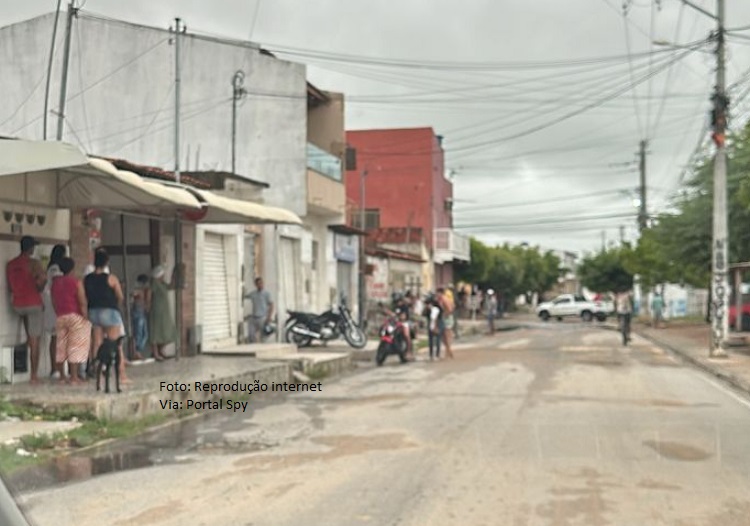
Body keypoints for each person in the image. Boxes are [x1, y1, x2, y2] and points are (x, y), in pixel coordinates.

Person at [6, 236, 46, 384]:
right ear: (31, 248)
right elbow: (42, 280)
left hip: (17, 304)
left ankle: (27, 344)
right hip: (33, 303)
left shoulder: (10, 264)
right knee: (35, 339)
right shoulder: (34, 263)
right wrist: (40, 286)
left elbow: (10, 286)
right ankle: (34, 375)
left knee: (30, 335)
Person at [84, 249, 129, 382]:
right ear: (106, 263)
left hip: (93, 312)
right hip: (109, 311)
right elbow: (120, 296)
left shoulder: (87, 279)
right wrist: (116, 305)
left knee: (97, 343)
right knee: (116, 343)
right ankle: (122, 375)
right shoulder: (111, 278)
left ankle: (98, 372)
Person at [50, 257, 90, 384]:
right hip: (75, 315)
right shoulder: (76, 282)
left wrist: (58, 312)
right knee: (75, 346)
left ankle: (62, 376)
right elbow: (82, 301)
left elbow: (53, 301)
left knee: (61, 346)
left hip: (61, 316)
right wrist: (85, 317)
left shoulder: (55, 283)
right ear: (72, 268)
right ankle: (74, 376)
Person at [42, 244, 66, 379]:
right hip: (55, 305)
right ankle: (56, 369)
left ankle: (55, 368)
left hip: (50, 304)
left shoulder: (50, 267)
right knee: (57, 337)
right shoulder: (56, 269)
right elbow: (57, 288)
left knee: (55, 337)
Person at [147, 265, 178, 360]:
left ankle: (161, 350)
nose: (163, 276)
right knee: (155, 332)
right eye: (162, 274)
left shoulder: (162, 283)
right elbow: (149, 292)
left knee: (168, 331)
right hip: (156, 310)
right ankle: (155, 353)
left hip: (165, 312)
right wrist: (147, 304)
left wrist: (174, 277)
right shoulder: (154, 283)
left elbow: (171, 286)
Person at [244, 277, 274, 343]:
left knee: (263, 336)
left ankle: (263, 346)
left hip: (262, 317)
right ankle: (253, 345)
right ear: (256, 285)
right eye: (258, 284)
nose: (260, 285)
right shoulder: (253, 294)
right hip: (254, 317)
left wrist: (269, 317)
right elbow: (245, 297)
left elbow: (271, 305)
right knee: (251, 335)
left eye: (261, 283)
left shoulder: (267, 294)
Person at [130, 274, 150, 360]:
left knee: (144, 334)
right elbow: (132, 297)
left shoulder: (144, 290)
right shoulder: (137, 290)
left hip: (142, 312)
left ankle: (138, 350)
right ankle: (136, 352)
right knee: (138, 333)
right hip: (137, 312)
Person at [437, 287, 455, 359]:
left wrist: (445, 314)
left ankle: (448, 351)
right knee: (444, 336)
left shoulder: (444, 299)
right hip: (446, 317)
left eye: (438, 293)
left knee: (446, 335)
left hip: (447, 318)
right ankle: (448, 351)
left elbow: (450, 309)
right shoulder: (443, 299)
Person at [424, 293, 443, 360]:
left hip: (436, 323)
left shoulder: (435, 308)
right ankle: (432, 354)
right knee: (432, 339)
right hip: (432, 322)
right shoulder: (430, 308)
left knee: (436, 339)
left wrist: (435, 326)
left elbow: (435, 318)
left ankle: (436, 354)